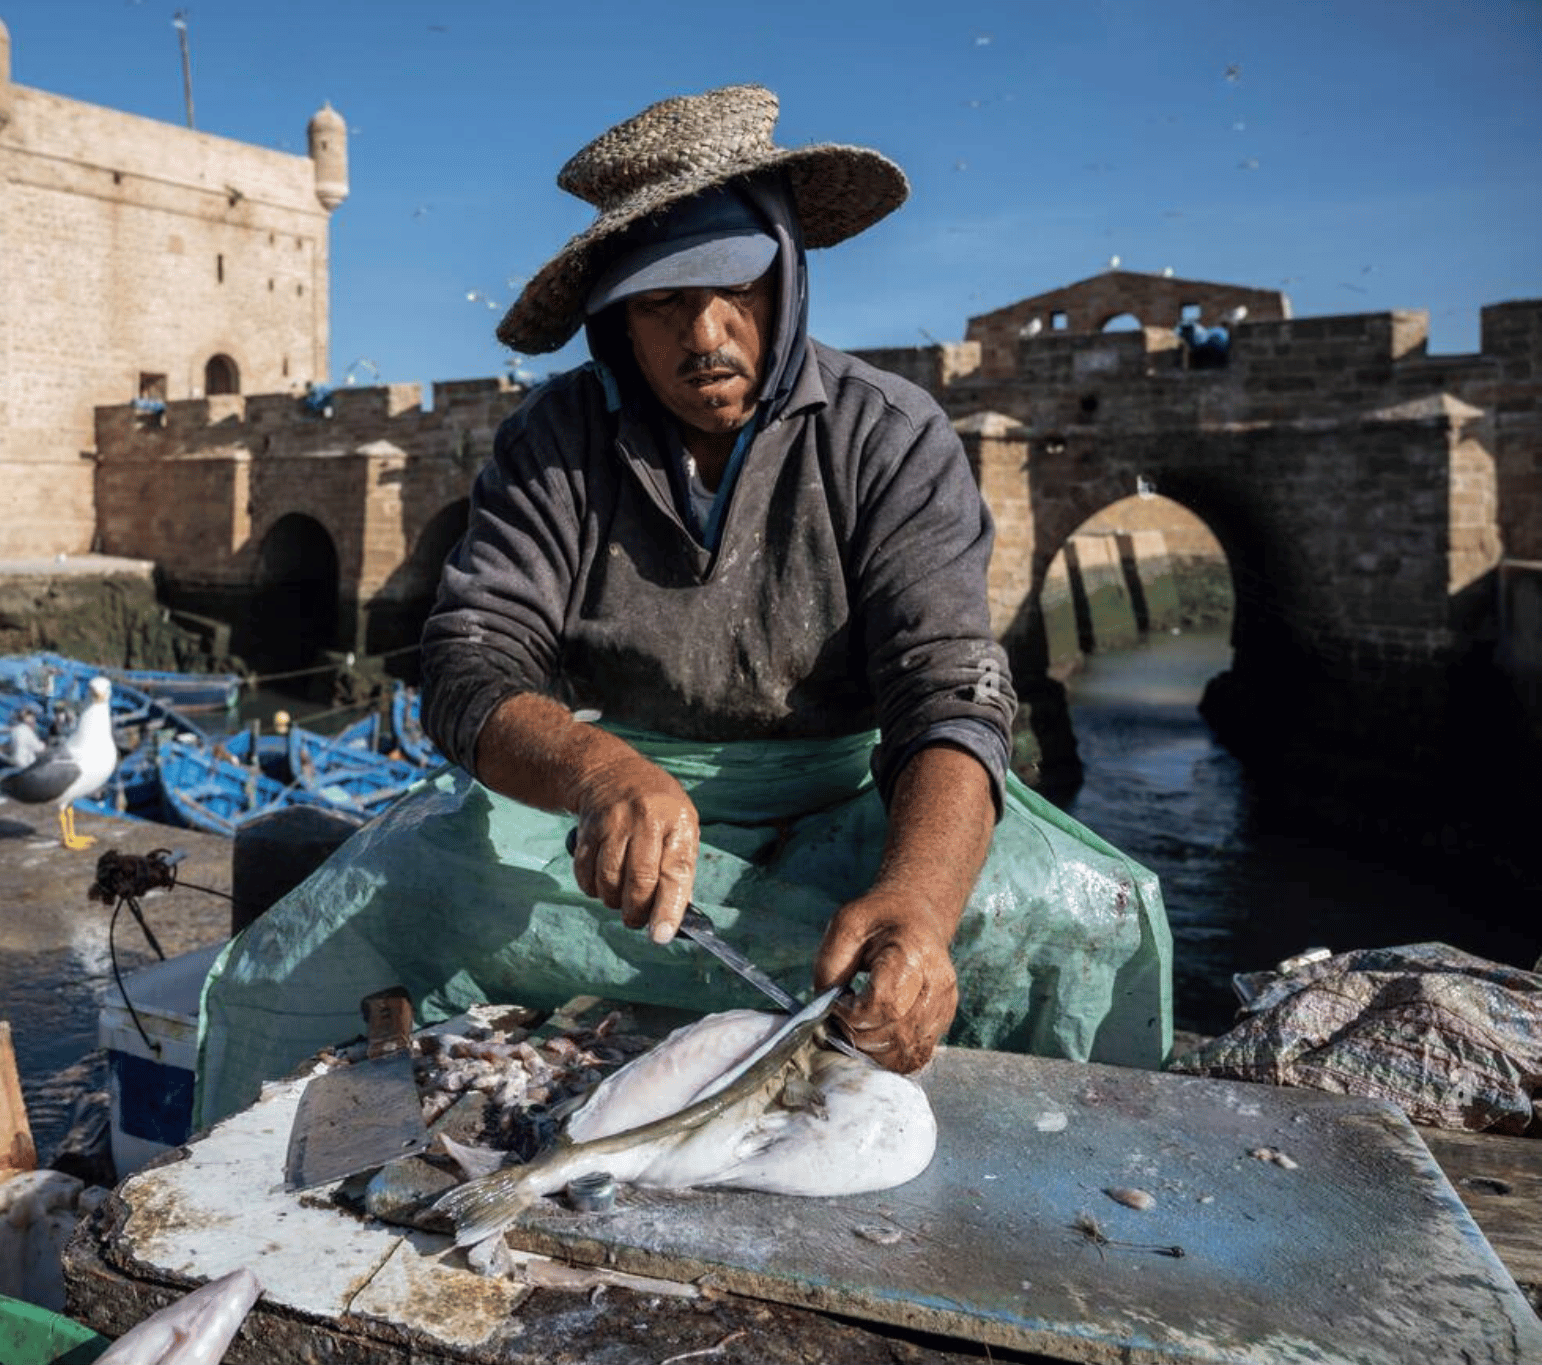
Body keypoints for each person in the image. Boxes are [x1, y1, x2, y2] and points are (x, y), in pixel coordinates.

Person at [192, 85, 1171, 1129]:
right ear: (614, 317)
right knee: (354, 911)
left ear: (785, 275)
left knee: (1083, 923)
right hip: (616, 808)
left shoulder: (889, 435)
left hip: (851, 793)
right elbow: (469, 666)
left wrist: (918, 906)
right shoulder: (551, 443)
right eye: (662, 303)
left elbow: (949, 692)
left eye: (734, 288)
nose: (706, 334)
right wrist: (597, 772)